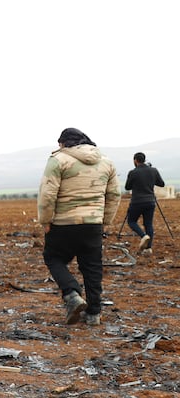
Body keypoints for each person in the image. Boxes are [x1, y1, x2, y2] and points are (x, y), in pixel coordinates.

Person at [37, 128, 121, 327]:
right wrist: (104, 221)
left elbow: (47, 193)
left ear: (64, 143)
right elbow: (114, 195)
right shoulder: (106, 162)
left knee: (53, 257)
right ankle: (94, 314)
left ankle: (71, 293)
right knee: (92, 268)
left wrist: (45, 221)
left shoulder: (58, 160)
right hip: (93, 224)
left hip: (63, 223)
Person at [124, 152, 165, 255]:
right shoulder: (153, 170)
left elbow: (127, 187)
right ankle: (148, 249)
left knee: (132, 221)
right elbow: (161, 183)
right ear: (144, 160)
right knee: (148, 224)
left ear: (135, 160)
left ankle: (143, 236)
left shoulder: (133, 172)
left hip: (137, 201)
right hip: (150, 201)